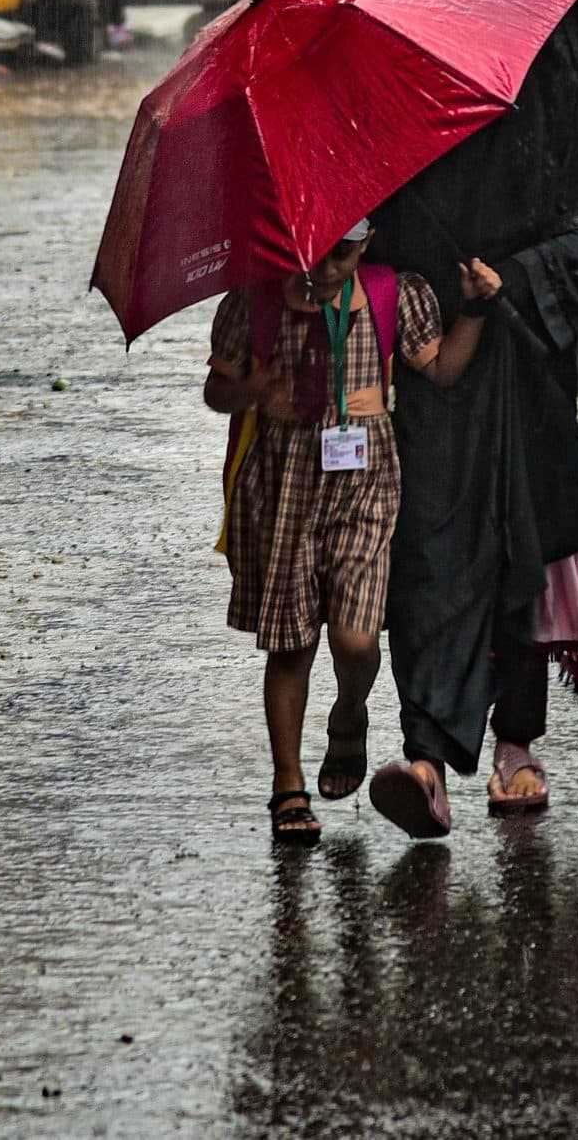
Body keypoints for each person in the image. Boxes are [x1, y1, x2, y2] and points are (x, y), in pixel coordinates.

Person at [363, 1, 578, 839]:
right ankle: (424, 754)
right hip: (432, 360)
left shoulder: (548, 54)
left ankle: (514, 741)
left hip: (522, 361)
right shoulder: (394, 79)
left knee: (521, 539)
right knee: (431, 546)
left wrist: (515, 279)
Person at [204, 220, 503, 844]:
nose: (328, 266)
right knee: (289, 647)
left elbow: (442, 366)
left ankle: (349, 712)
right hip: (280, 488)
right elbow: (217, 389)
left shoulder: (396, 294)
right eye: (313, 252)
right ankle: (288, 784)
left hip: (365, 483)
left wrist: (475, 308)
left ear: (367, 242)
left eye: (343, 251)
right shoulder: (252, 304)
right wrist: (252, 390)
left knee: (357, 636)